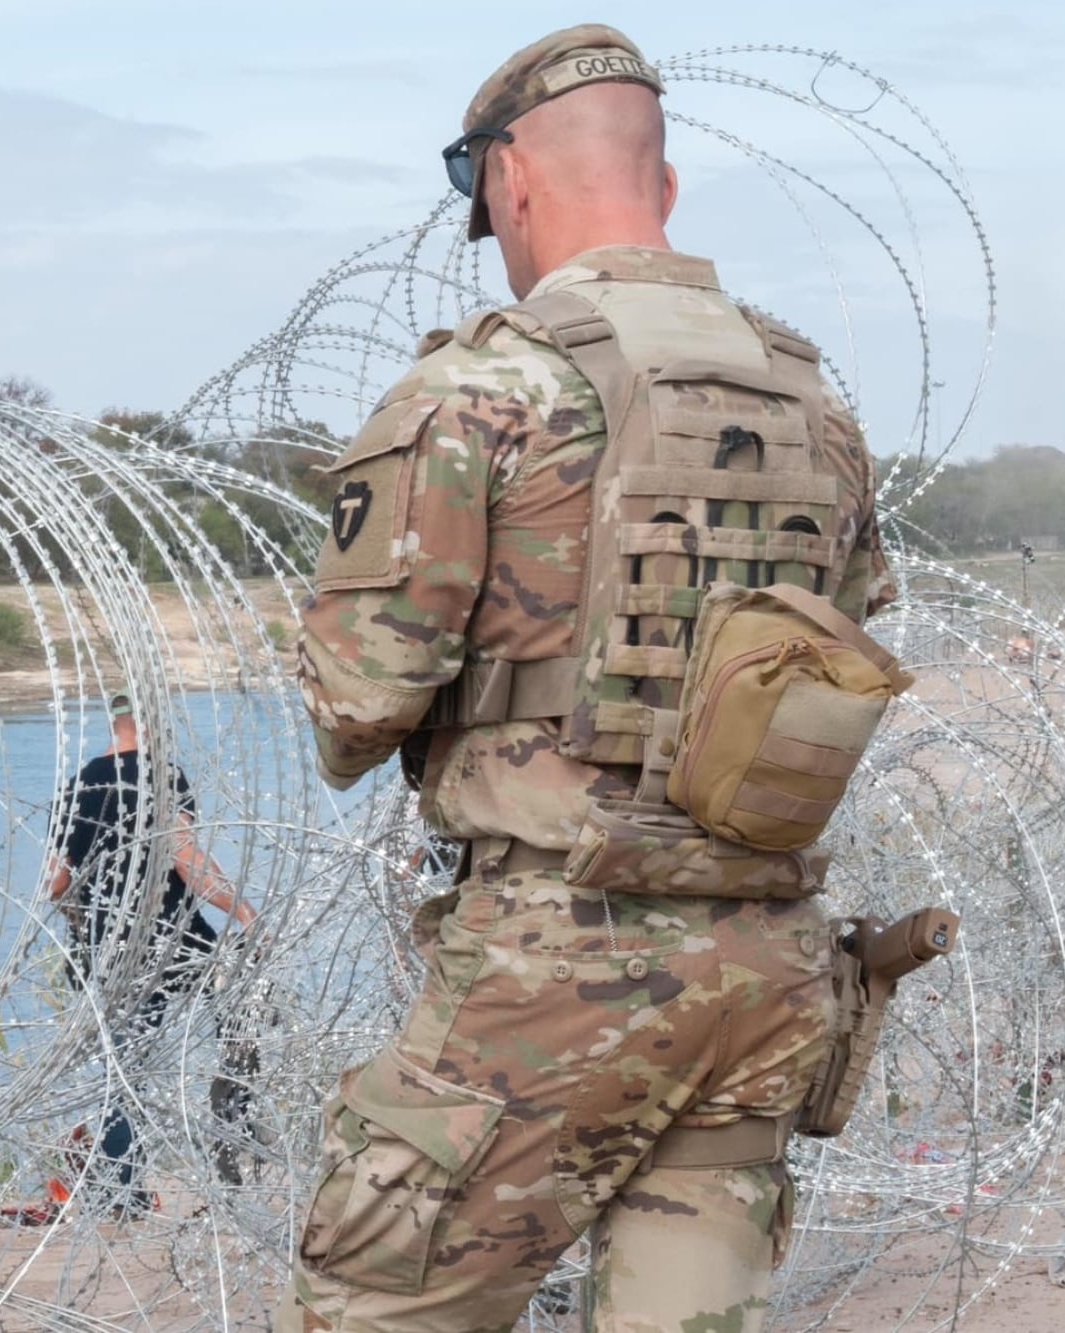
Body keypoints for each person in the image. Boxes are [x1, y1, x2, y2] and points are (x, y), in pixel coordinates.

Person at [281, 25, 895, 1332]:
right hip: (766, 974)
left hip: (561, 970)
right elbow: (845, 647)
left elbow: (353, 704)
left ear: (509, 179)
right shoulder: (812, 404)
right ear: (662, 186)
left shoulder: (486, 386)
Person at [44, 693, 257, 1214]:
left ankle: (124, 1193)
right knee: (241, 1017)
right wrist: (245, 913)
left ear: (113, 725)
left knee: (124, 1072)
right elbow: (186, 859)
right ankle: (236, 1146)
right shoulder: (163, 776)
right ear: (152, 724)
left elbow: (55, 884)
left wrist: (86, 925)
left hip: (112, 948)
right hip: (176, 937)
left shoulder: (78, 786)